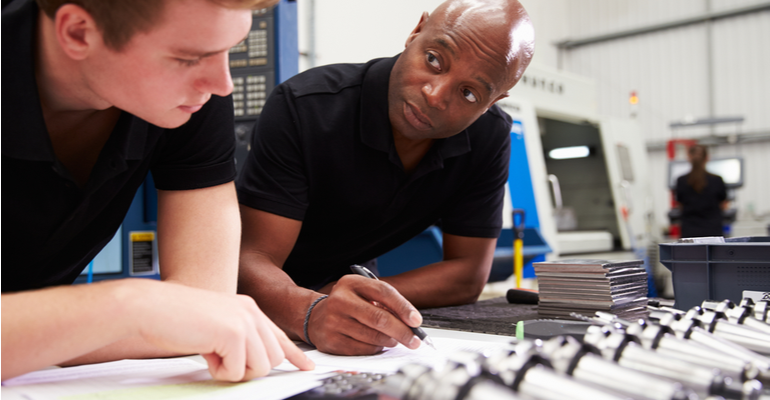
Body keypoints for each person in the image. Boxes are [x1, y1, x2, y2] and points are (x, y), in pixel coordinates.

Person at [1, 0, 313, 381]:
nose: (222, 84)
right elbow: (185, 315)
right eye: (188, 58)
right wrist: (129, 307)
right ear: (78, 32)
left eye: (229, 50)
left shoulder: (195, 97)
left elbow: (204, 306)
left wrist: (38, 334)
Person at [237, 0, 535, 356]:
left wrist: (363, 297)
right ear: (416, 31)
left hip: (347, 296)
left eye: (469, 93)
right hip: (257, 308)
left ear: (494, 101)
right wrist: (312, 309)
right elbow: (250, 259)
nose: (435, 96)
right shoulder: (306, 107)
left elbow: (468, 274)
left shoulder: (488, 137)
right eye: (434, 60)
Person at [675, 144, 728, 238]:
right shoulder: (717, 180)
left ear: (689, 158)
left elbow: (680, 206)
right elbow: (723, 205)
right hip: (713, 232)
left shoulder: (681, 181)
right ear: (707, 158)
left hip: (689, 233)